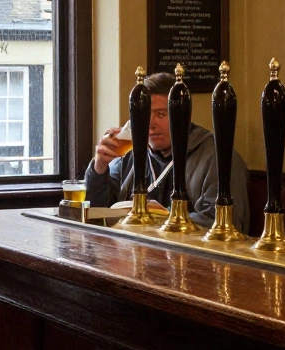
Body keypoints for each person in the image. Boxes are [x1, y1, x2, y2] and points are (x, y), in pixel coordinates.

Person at [85, 72, 251, 233]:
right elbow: (97, 213)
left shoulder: (217, 158)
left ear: (183, 115)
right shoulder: (130, 154)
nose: (150, 123)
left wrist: (154, 219)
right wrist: (99, 167)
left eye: (161, 114)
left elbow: (224, 225)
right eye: (145, 114)